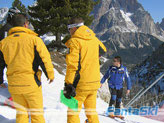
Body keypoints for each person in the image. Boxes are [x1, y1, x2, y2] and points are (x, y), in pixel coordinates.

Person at [0, 13, 54, 123]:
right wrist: (50, 74)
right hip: (31, 84)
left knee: (21, 114)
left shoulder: (3, 43)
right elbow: (44, 59)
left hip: (14, 86)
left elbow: (0, 64)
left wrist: (0, 80)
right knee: (36, 115)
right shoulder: (34, 40)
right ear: (25, 24)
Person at [63, 17, 106, 123]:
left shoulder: (74, 41)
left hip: (80, 84)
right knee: (91, 112)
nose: (69, 32)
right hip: (94, 82)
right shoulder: (94, 39)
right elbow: (103, 50)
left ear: (74, 28)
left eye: (69, 29)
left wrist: (68, 84)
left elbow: (72, 66)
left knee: (73, 113)